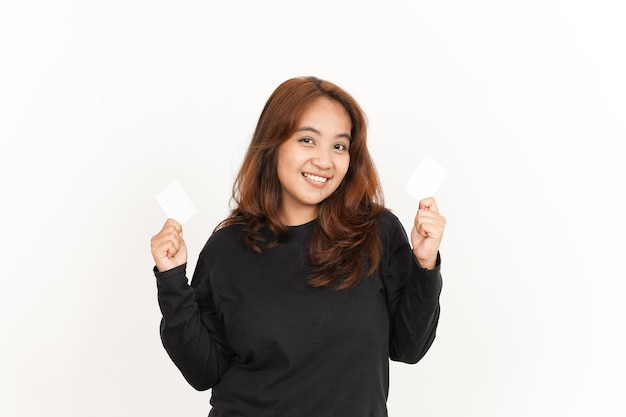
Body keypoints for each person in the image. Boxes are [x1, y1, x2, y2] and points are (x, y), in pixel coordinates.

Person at [150, 76, 445, 417]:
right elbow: (203, 372)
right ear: (273, 144)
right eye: (307, 140)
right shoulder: (227, 248)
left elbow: (409, 347)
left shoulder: (376, 232)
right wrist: (172, 280)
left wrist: (425, 264)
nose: (324, 161)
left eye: (339, 146)